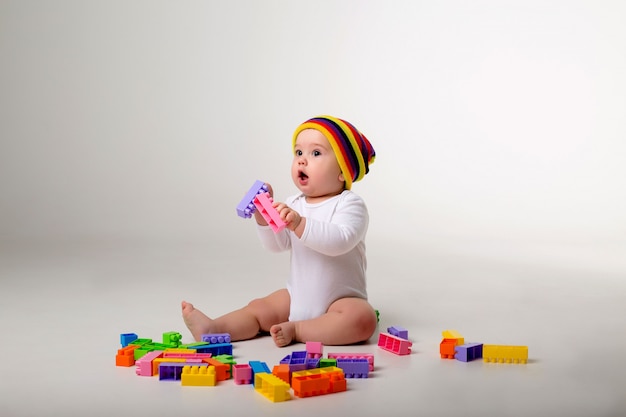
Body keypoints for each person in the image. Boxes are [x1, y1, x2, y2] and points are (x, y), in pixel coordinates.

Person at [182, 115, 378, 347]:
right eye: (298, 153)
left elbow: (340, 241)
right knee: (260, 308)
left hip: (340, 301)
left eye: (316, 153)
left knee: (362, 319)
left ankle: (299, 329)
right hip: (297, 296)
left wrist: (299, 223)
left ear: (343, 172)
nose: (302, 161)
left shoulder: (350, 204)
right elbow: (277, 245)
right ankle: (214, 328)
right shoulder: (294, 203)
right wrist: (263, 216)